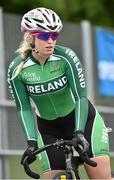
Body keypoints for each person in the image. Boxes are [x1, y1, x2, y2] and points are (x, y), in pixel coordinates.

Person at [7, 7, 111, 179]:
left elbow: (80, 97)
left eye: (54, 36)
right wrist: (31, 142)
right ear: (31, 37)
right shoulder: (18, 69)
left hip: (83, 123)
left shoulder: (66, 57)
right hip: (49, 130)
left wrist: (78, 131)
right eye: (44, 36)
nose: (51, 41)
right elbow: (23, 108)